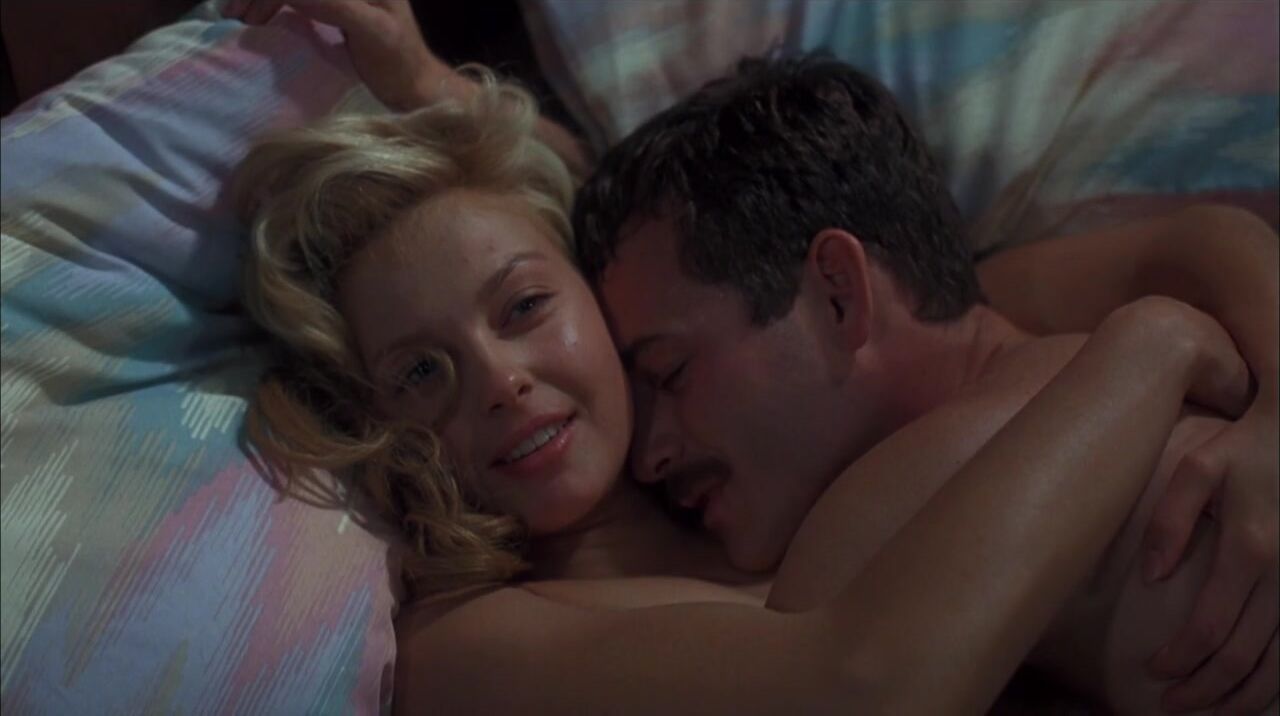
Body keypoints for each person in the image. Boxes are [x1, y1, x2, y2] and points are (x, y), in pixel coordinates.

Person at [222, 0, 1278, 712]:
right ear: (375, 417)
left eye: (529, 306)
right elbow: (861, 688)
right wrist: (1159, 342)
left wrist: (426, 81)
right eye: (420, 373)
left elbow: (1195, 243)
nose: (501, 381)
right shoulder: (468, 644)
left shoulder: (794, 433)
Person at [571, 54, 1279, 714]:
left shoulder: (879, 516)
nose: (648, 455)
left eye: (669, 372)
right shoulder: (1035, 332)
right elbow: (1195, 238)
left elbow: (796, 672)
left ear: (838, 294)